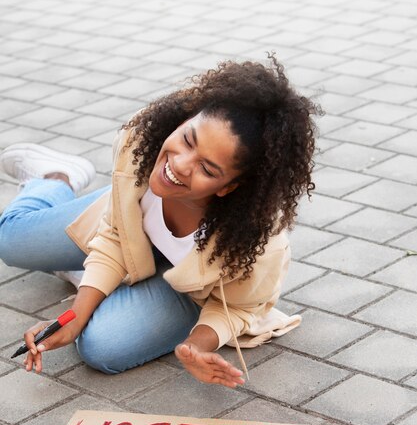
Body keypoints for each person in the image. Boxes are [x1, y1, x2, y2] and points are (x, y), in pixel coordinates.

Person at [0, 55, 319, 388]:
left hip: (189, 288)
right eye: (187, 139)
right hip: (129, 230)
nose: (180, 164)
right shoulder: (141, 146)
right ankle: (58, 177)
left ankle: (86, 272)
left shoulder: (256, 239)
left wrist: (197, 346)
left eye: (207, 170)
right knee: (9, 240)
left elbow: (238, 308)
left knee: (102, 347)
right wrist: (74, 317)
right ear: (183, 121)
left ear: (228, 187)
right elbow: (114, 236)